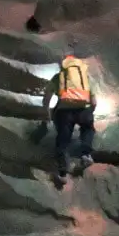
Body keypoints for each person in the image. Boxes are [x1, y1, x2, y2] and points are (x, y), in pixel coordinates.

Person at [41, 52, 96, 183]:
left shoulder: (57, 77)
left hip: (64, 112)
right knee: (88, 129)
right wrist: (88, 114)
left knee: (63, 140)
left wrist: (47, 115)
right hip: (83, 110)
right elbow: (94, 102)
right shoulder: (85, 79)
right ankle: (86, 155)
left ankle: (62, 174)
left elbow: (46, 99)